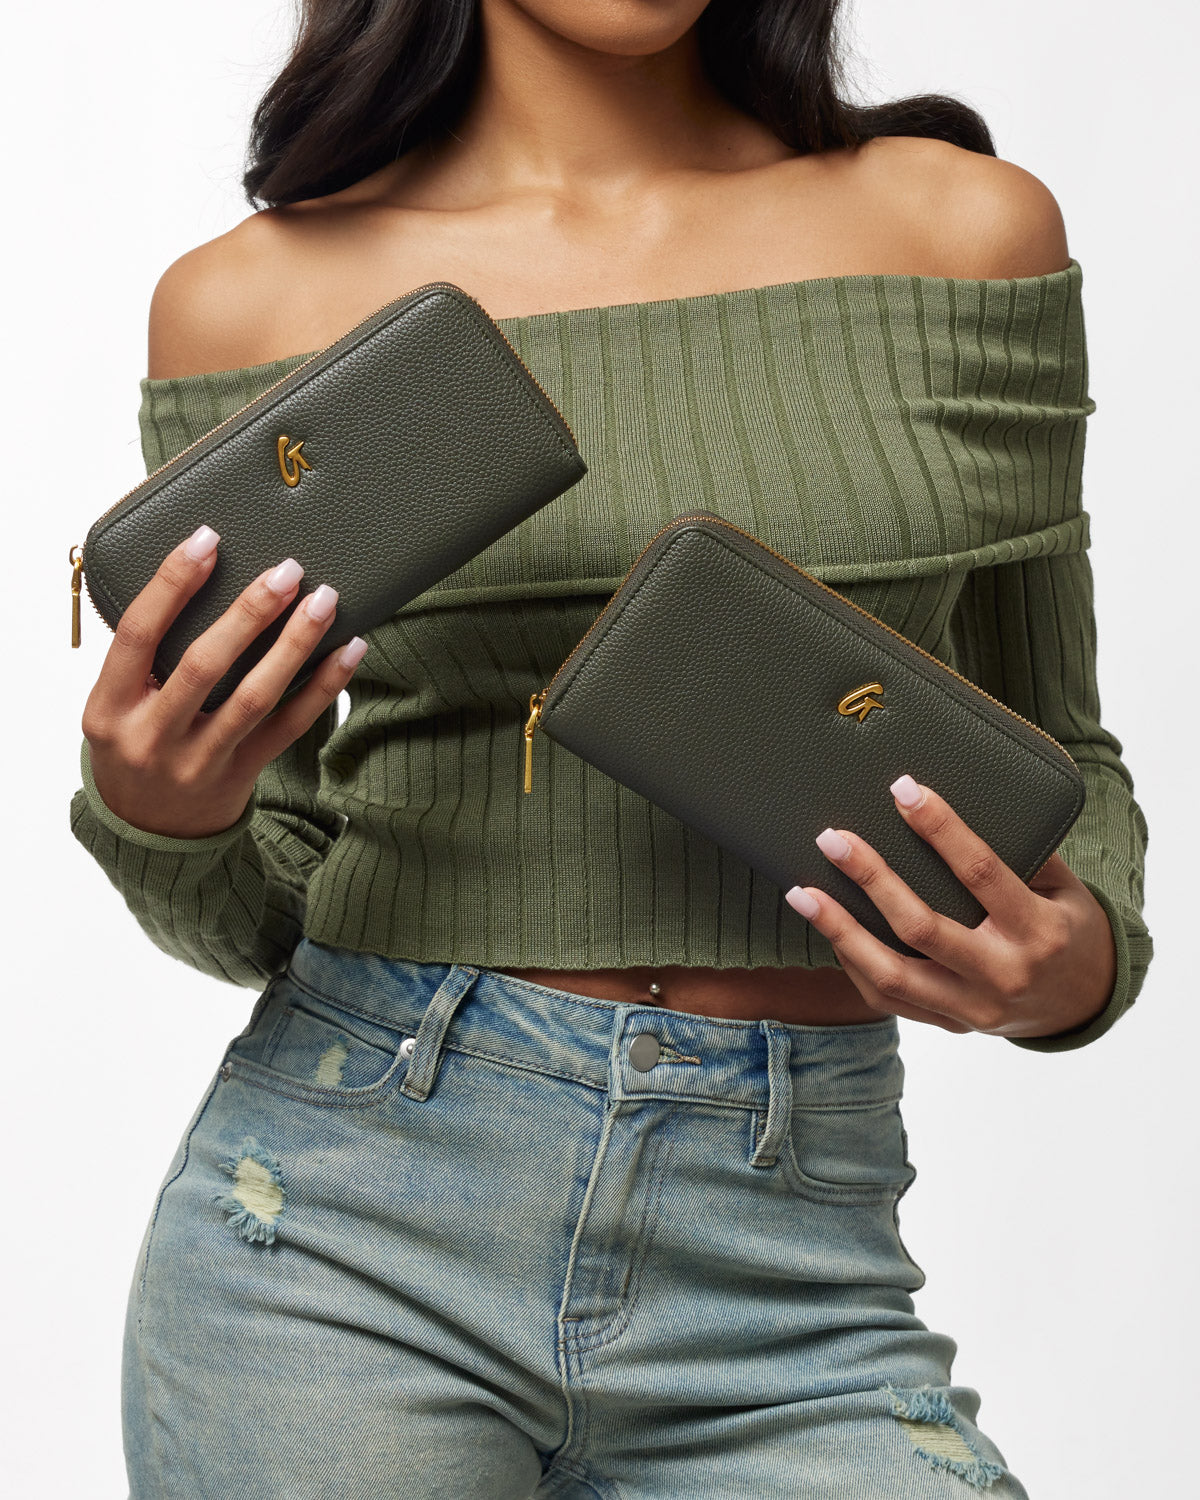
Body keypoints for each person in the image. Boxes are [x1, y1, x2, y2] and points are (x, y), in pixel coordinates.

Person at [70, 2, 1154, 1495]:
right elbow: (276, 899)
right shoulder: (252, 302)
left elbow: (1062, 749)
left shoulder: (965, 233)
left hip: (795, 1264)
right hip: (341, 1224)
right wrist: (158, 811)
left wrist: (1080, 963)